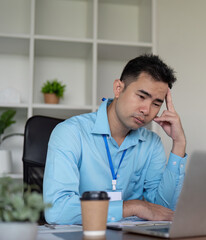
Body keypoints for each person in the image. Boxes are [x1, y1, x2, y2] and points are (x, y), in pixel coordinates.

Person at [43, 54, 187, 224]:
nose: (146, 110)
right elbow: (57, 211)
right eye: (141, 96)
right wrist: (133, 207)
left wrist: (179, 144)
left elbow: (163, 211)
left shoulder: (152, 143)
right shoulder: (70, 133)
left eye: (156, 103)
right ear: (118, 88)